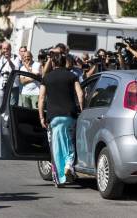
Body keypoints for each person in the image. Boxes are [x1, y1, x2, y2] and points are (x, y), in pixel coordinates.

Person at [38, 53, 83, 188]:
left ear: (53, 63)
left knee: (56, 147)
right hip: (70, 115)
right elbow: (80, 94)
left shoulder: (47, 78)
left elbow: (41, 98)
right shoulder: (72, 76)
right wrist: (83, 109)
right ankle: (69, 165)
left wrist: (41, 116)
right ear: (65, 63)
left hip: (53, 117)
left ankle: (59, 178)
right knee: (69, 141)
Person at [0, 41, 20, 111]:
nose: (5, 50)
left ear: (10, 49)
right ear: (1, 49)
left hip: (13, 85)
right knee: (1, 106)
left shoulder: (15, 57)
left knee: (12, 107)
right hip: (2, 85)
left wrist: (9, 59)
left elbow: (16, 69)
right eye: (4, 48)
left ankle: (11, 121)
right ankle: (1, 122)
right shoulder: (0, 57)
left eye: (7, 48)